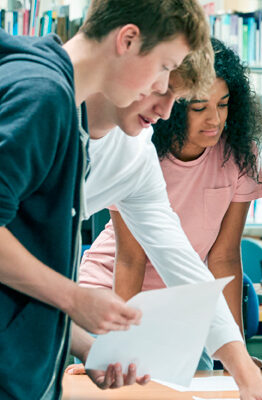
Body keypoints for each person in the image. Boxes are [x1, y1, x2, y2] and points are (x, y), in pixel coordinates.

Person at [62, 38, 262, 399]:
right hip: (99, 300)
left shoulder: (228, 155)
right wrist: (104, 344)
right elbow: (130, 259)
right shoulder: (130, 145)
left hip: (167, 308)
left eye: (223, 105)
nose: (214, 119)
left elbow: (206, 263)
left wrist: (242, 363)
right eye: (198, 106)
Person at [0, 0, 208, 397]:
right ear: (127, 40)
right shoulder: (41, 96)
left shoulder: (64, 107)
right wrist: (75, 298)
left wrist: (82, 345)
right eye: (164, 67)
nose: (163, 89)